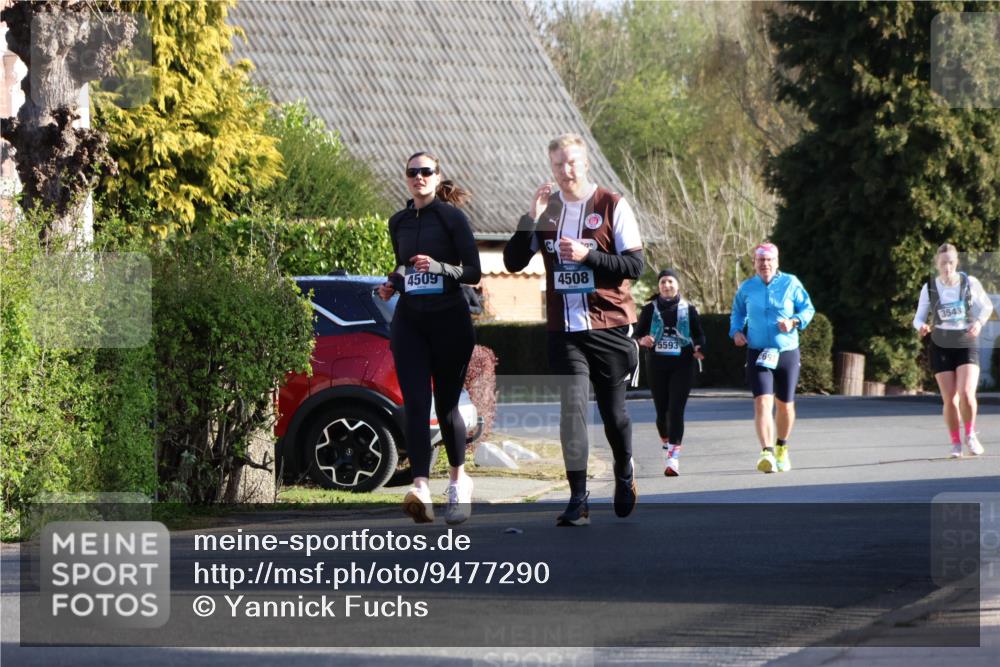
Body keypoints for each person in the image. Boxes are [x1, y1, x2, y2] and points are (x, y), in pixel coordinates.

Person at [503, 133, 644, 526]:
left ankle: (624, 471)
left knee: (614, 415)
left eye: (572, 163)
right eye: (558, 164)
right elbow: (513, 262)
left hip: (610, 325)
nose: (565, 171)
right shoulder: (547, 213)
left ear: (585, 163)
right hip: (564, 330)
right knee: (573, 411)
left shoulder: (611, 204)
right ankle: (578, 499)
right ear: (551, 168)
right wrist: (529, 218)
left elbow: (635, 266)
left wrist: (589, 256)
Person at [377, 152, 481, 524]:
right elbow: (403, 268)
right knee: (416, 404)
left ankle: (457, 481)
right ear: (406, 178)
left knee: (446, 406)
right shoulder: (398, 222)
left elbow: (473, 272)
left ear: (437, 177)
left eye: (426, 172)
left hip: (450, 321)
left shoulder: (452, 218)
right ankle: (421, 487)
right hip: (410, 322)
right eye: (412, 172)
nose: (419, 177)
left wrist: (438, 267)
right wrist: (393, 284)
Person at [729, 242, 815, 473]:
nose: (765, 264)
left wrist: (794, 321)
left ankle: (781, 448)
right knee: (762, 402)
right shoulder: (747, 288)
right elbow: (737, 312)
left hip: (786, 351)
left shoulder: (791, 283)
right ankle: (766, 451)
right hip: (758, 352)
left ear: (776, 262)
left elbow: (807, 309)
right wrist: (736, 331)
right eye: (760, 260)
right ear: (754, 263)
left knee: (785, 405)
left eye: (769, 260)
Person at [912, 243, 993, 457]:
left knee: (966, 393)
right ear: (936, 264)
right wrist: (921, 326)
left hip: (965, 339)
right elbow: (918, 317)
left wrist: (978, 323)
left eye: (950, 262)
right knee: (950, 397)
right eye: (943, 263)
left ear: (956, 262)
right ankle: (955, 443)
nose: (947, 267)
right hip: (940, 342)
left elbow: (987, 306)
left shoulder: (969, 282)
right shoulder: (930, 287)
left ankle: (970, 434)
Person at [634, 269, 705, 476]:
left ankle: (673, 458)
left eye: (670, 282)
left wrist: (700, 348)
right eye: (663, 282)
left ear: (678, 285)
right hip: (656, 365)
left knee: (675, 411)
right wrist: (642, 340)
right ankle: (666, 443)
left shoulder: (689, 309)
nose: (667, 285)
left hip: (682, 364)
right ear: (659, 286)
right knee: (661, 413)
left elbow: (699, 335)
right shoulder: (649, 309)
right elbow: (637, 335)